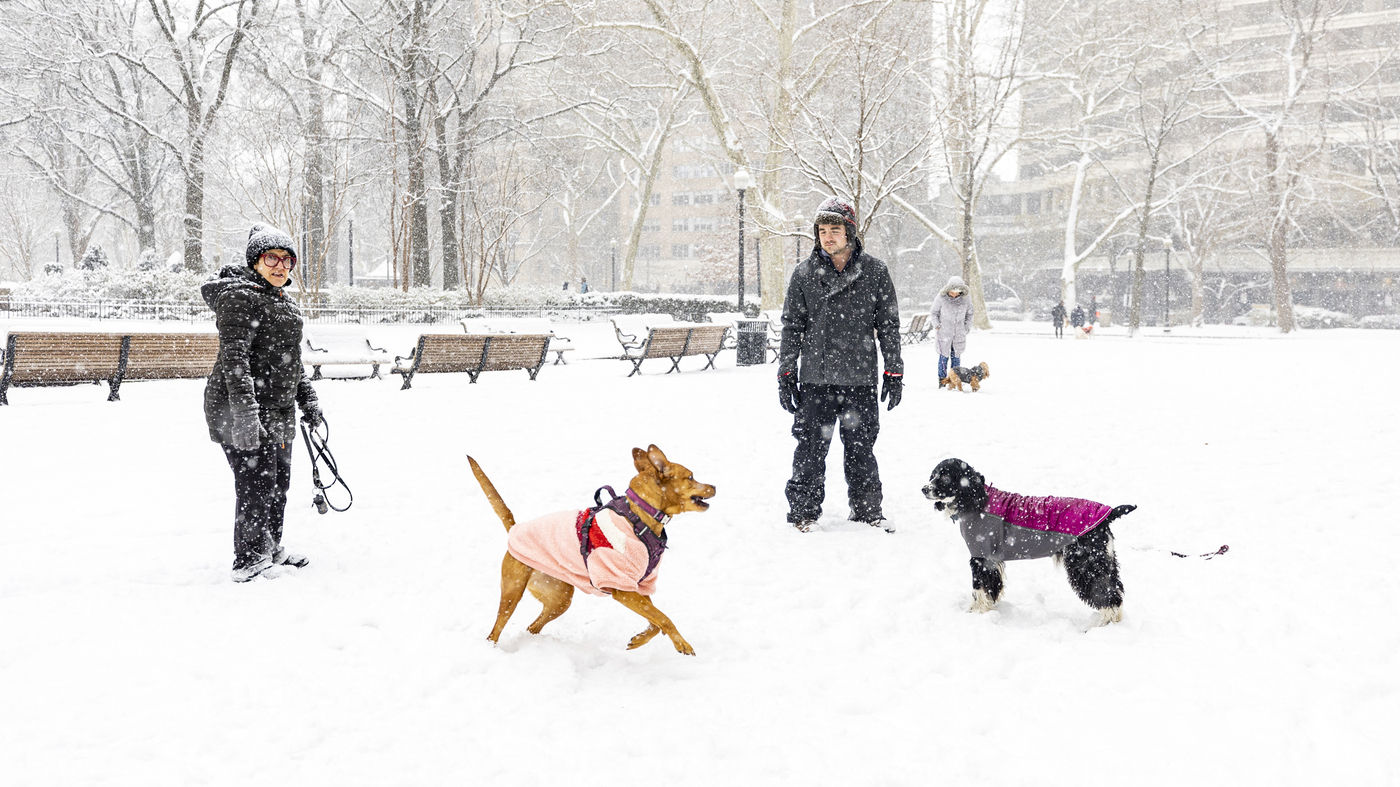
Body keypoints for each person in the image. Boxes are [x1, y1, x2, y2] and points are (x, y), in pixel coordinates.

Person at [203, 224, 323, 583]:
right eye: (272, 257)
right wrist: (244, 416)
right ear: (255, 261)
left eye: (288, 260)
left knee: (278, 483)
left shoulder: (284, 303)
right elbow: (234, 360)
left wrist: (309, 399)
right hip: (239, 408)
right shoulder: (239, 297)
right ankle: (249, 560)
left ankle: (270, 548)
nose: (280, 265)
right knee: (256, 483)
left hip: (279, 409)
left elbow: (292, 359)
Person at [777, 197, 903, 534]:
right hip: (816, 379)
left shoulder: (875, 272)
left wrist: (895, 368)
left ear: (850, 233)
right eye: (822, 231)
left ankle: (867, 511)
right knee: (810, 448)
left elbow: (888, 325)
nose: (828, 237)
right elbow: (792, 326)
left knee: (861, 448)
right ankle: (803, 513)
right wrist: (786, 372)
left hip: (859, 378)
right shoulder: (804, 274)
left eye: (835, 230)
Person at [931, 275, 973, 384]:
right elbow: (934, 312)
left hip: (959, 332)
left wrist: (966, 327)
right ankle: (942, 380)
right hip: (944, 332)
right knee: (943, 357)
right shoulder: (941, 297)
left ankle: (954, 379)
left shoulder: (966, 299)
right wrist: (937, 325)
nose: (954, 294)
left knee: (956, 356)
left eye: (957, 292)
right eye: (952, 292)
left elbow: (970, 314)